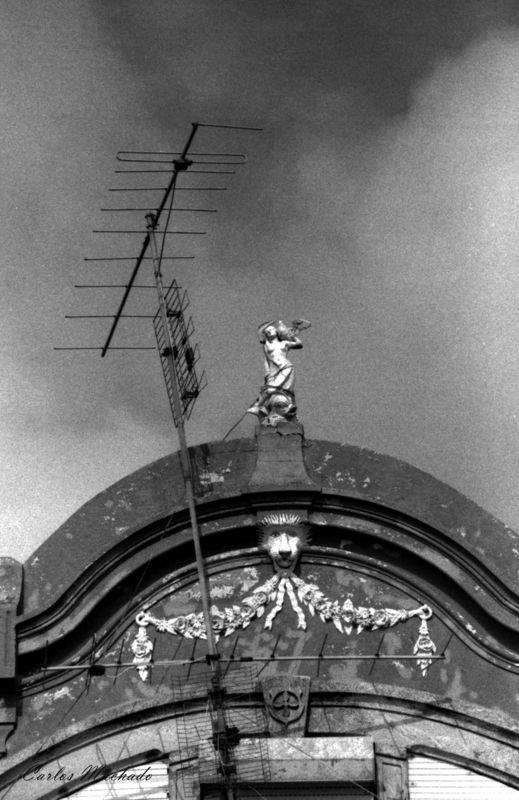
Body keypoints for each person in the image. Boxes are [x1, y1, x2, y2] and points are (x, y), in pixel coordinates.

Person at [247, 320, 304, 422]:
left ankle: (259, 406)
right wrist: (269, 323)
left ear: (277, 332)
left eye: (272, 329)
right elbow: (260, 332)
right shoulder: (267, 344)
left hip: (286, 367)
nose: (270, 331)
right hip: (274, 369)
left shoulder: (284, 343)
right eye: (268, 331)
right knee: (269, 389)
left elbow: (299, 344)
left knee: (274, 389)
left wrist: (290, 335)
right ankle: (264, 409)